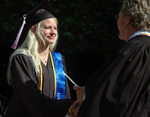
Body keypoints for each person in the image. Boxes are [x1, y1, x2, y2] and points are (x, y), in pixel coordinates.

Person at [74, 0, 150, 117]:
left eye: (118, 17)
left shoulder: (132, 51)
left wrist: (86, 96)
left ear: (127, 19)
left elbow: (111, 98)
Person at [6, 1, 74, 117]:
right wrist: (70, 105)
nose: (53, 32)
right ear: (34, 30)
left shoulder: (58, 60)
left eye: (55, 28)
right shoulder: (22, 59)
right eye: (48, 28)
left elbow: (65, 95)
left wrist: (70, 109)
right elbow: (32, 100)